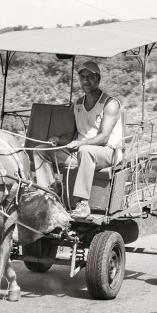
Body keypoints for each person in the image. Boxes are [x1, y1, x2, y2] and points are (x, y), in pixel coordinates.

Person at [33, 61, 122, 219]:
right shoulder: (78, 104)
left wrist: (80, 144)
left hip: (107, 152)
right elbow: (69, 135)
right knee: (40, 150)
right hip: (81, 153)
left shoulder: (110, 104)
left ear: (98, 79)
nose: (85, 81)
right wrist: (57, 139)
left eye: (90, 77)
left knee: (86, 151)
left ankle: (83, 204)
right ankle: (48, 193)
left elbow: (103, 138)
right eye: (82, 77)